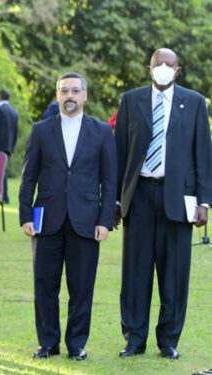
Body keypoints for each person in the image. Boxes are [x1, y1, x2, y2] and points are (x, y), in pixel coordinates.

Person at [114, 48, 212, 360]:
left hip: (179, 199)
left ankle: (168, 339)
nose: (164, 68)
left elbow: (204, 158)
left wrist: (205, 202)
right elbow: (120, 154)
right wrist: (117, 201)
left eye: (170, 65)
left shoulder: (195, 102)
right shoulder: (131, 100)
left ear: (178, 70)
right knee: (135, 272)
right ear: (149, 68)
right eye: (159, 64)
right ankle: (134, 338)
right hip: (139, 195)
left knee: (175, 274)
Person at [19, 72, 117, 361]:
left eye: (75, 91)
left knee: (82, 286)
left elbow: (109, 181)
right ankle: (48, 343)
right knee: (44, 284)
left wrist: (105, 219)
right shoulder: (40, 130)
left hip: (86, 220)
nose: (70, 96)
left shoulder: (101, 132)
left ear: (85, 95)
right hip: (46, 220)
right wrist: (25, 215)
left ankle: (76, 344)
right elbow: (28, 178)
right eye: (64, 91)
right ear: (58, 95)